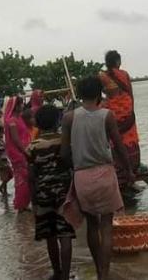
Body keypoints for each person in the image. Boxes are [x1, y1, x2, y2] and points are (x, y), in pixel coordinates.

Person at [60, 76, 133, 280]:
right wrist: (129, 170)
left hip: (82, 176)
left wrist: (75, 167)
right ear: (99, 93)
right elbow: (119, 146)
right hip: (105, 174)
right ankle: (104, 274)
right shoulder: (107, 115)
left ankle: (98, 267)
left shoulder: (69, 118)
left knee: (92, 225)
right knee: (107, 227)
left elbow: (64, 154)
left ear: (81, 94)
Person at [28, 104, 74, 280]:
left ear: (38, 124)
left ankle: (56, 272)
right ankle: (66, 276)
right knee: (66, 234)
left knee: (50, 235)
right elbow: (71, 164)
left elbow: (31, 176)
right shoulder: (64, 141)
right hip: (64, 193)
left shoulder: (32, 146)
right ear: (58, 122)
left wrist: (34, 201)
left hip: (43, 194)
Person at [99, 50, 141, 187]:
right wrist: (132, 111)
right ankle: (131, 171)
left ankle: (120, 174)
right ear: (117, 62)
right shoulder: (124, 75)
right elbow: (131, 95)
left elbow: (98, 95)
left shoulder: (102, 76)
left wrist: (106, 98)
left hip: (113, 113)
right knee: (130, 140)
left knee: (114, 140)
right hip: (127, 112)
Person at [4, 95, 32, 211]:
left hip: (23, 152)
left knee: (25, 179)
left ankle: (23, 204)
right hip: (18, 154)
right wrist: (25, 152)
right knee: (22, 180)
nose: (22, 106)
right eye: (21, 104)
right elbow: (16, 140)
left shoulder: (19, 118)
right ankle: (21, 205)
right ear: (16, 106)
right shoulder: (12, 121)